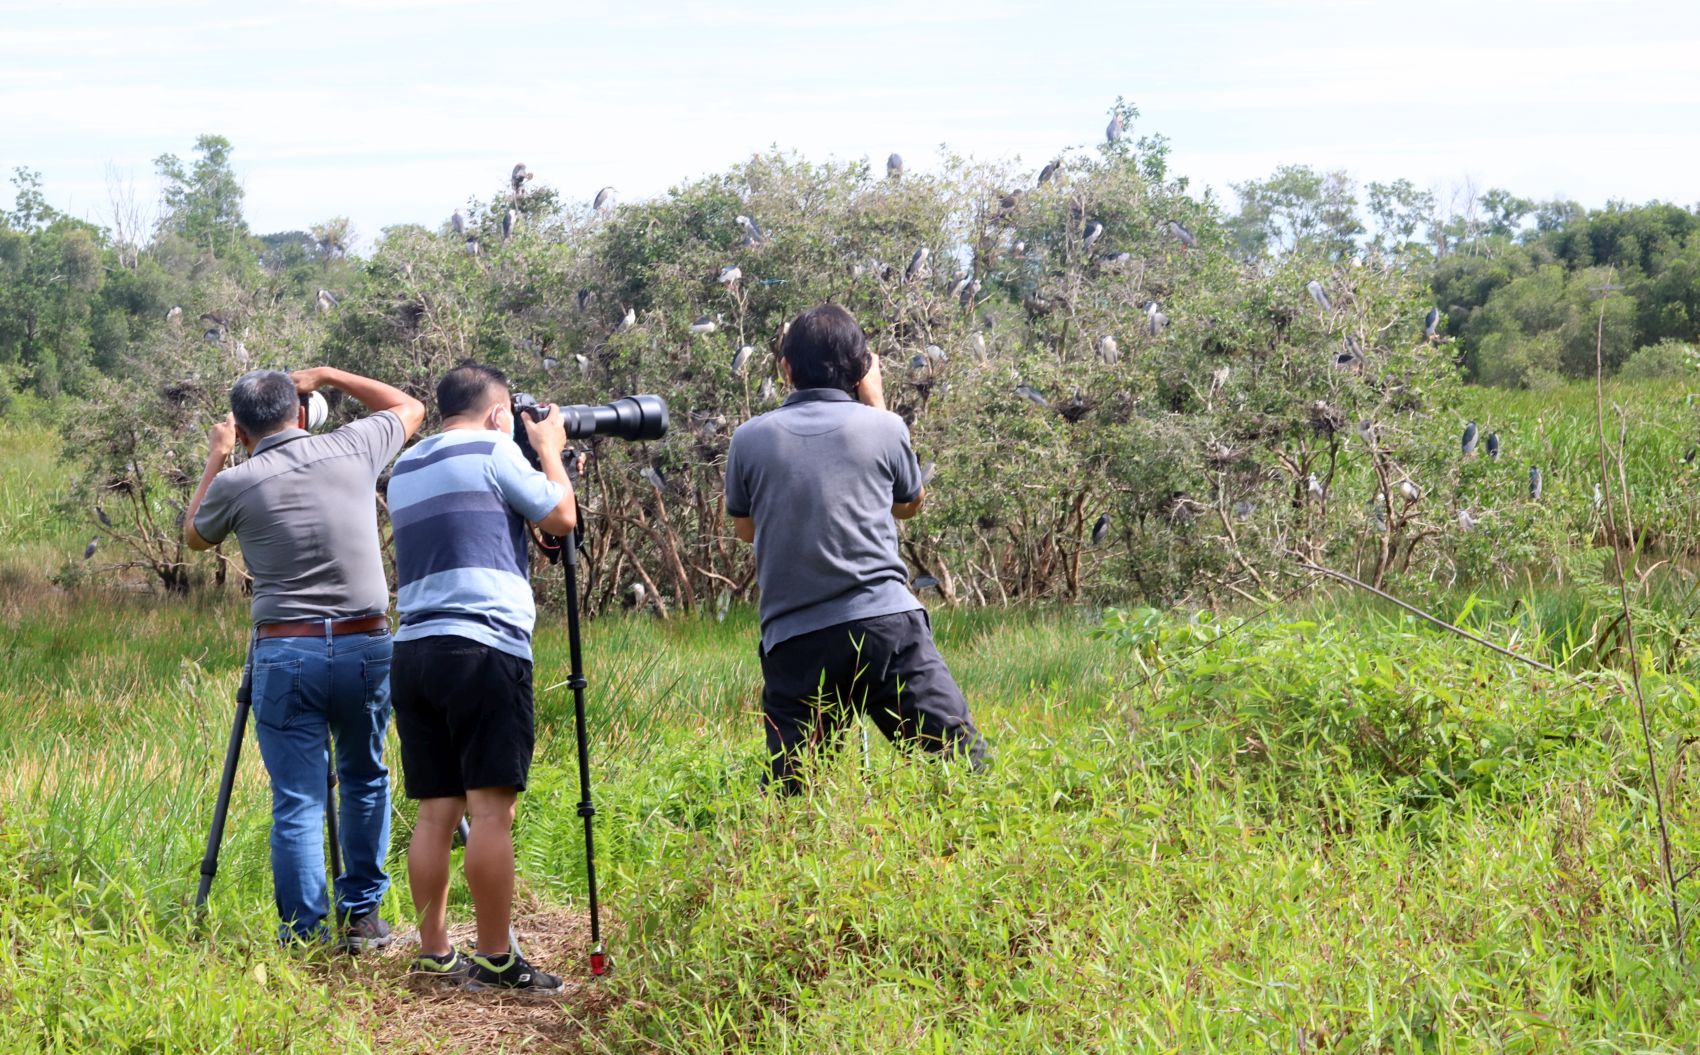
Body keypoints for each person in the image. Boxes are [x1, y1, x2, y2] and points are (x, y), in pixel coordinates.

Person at [185, 367, 425, 948]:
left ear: (241, 430)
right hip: (365, 642)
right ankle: (363, 917)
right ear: (300, 413)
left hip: (285, 648)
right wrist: (327, 375)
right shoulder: (352, 446)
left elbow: (194, 535)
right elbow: (410, 406)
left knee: (298, 796)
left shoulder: (236, 483)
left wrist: (217, 457)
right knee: (366, 778)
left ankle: (304, 935)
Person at [724, 303, 987, 792]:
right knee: (962, 765)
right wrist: (878, 403)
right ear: (863, 368)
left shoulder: (747, 439)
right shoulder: (884, 428)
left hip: (794, 639)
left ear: (786, 368)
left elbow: (745, 530)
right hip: (886, 627)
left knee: (794, 790)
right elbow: (909, 505)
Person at [386, 362, 577, 992]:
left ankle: (435, 952)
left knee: (436, 812)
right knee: (492, 813)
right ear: (500, 413)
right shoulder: (496, 450)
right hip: (483, 646)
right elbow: (561, 517)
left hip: (412, 648)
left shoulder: (406, 467)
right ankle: (496, 958)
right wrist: (549, 450)